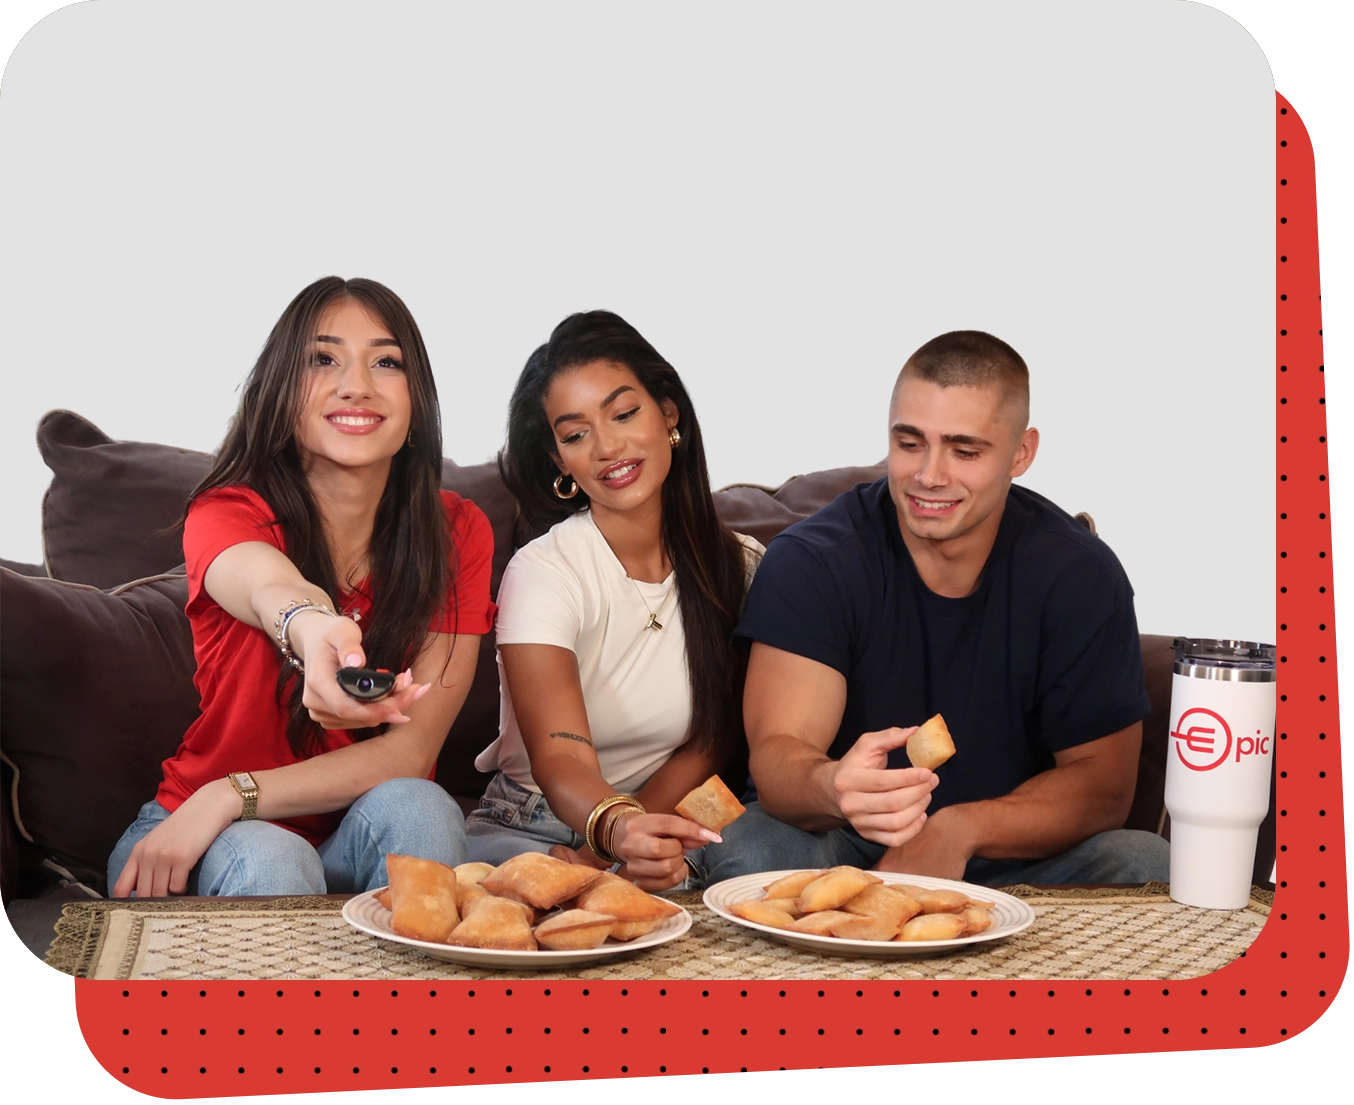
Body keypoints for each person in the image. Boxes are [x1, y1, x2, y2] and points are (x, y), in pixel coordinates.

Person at [703, 330, 1170, 887]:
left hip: (1010, 857)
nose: (929, 475)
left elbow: (1102, 789)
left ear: (1022, 453)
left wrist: (956, 831)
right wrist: (834, 787)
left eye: (964, 450)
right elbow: (779, 758)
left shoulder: (1079, 574)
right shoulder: (815, 560)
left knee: (1147, 861)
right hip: (842, 846)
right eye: (910, 443)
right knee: (748, 845)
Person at [107, 277, 495, 898]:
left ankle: (430, 992)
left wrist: (232, 794)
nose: (357, 384)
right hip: (197, 837)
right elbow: (266, 584)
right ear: (283, 394)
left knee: (421, 805)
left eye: (386, 361)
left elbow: (408, 753)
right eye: (323, 359)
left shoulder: (456, 533)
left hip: (332, 832)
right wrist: (315, 628)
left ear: (417, 402)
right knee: (272, 855)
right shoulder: (227, 508)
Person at [465, 311, 763, 892]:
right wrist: (613, 839)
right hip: (536, 824)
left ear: (668, 414)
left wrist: (620, 856)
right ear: (560, 463)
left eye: (624, 414)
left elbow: (712, 741)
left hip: (671, 819)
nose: (607, 447)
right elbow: (561, 759)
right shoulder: (544, 570)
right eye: (575, 435)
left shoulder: (742, 566)